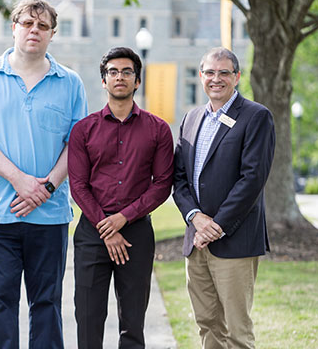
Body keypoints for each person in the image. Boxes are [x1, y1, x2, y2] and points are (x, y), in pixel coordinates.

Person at [0, 0, 88, 348]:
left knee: (46, 304)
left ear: (52, 34)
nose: (35, 30)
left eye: (43, 26)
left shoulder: (71, 82)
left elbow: (76, 146)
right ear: (14, 27)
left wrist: (45, 187)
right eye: (28, 23)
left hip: (50, 214)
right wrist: (19, 180)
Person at [68, 47, 174, 348]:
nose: (119, 77)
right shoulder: (83, 130)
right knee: (88, 319)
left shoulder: (158, 130)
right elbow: (78, 185)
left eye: (127, 72)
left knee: (133, 323)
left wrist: (123, 218)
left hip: (136, 234)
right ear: (103, 80)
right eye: (113, 72)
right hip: (92, 233)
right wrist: (106, 225)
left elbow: (162, 184)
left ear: (137, 81)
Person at [172, 47, 275, 349]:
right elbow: (179, 179)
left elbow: (252, 179)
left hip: (234, 241)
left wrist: (216, 225)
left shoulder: (256, 117)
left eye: (224, 73)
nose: (216, 79)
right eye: (209, 73)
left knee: (237, 331)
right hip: (196, 242)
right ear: (201, 76)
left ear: (237, 77)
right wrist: (196, 218)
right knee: (207, 324)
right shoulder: (191, 118)